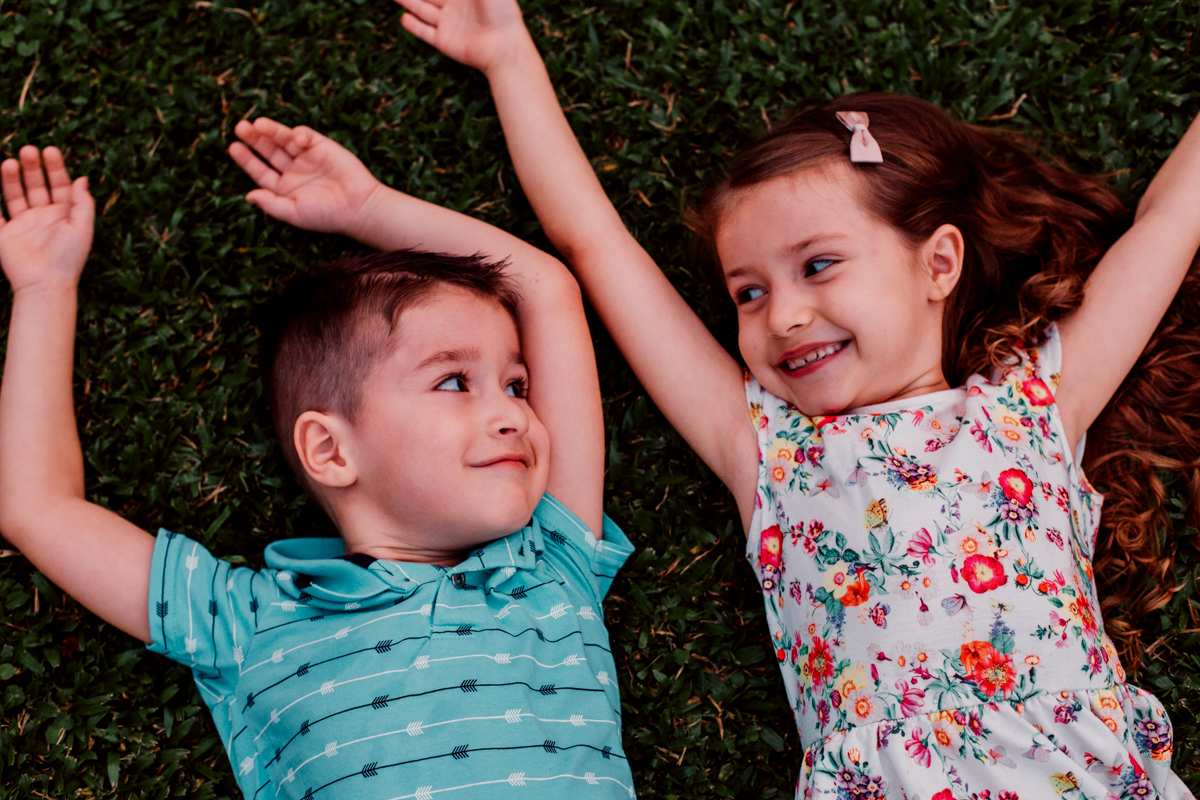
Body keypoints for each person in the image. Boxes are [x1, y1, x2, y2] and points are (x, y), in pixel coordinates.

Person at [390, 0, 1200, 797]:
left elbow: (1170, 223)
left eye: (818, 266)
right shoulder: (767, 449)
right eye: (748, 292)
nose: (782, 316)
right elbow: (596, 243)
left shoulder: (1036, 401)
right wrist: (509, 59)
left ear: (938, 264)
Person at [0, 122, 637, 798]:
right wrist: (44, 290)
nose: (515, 415)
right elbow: (37, 507)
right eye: (454, 382)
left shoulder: (552, 563)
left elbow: (544, 288)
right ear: (330, 449)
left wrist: (369, 207)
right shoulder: (252, 623)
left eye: (517, 385)